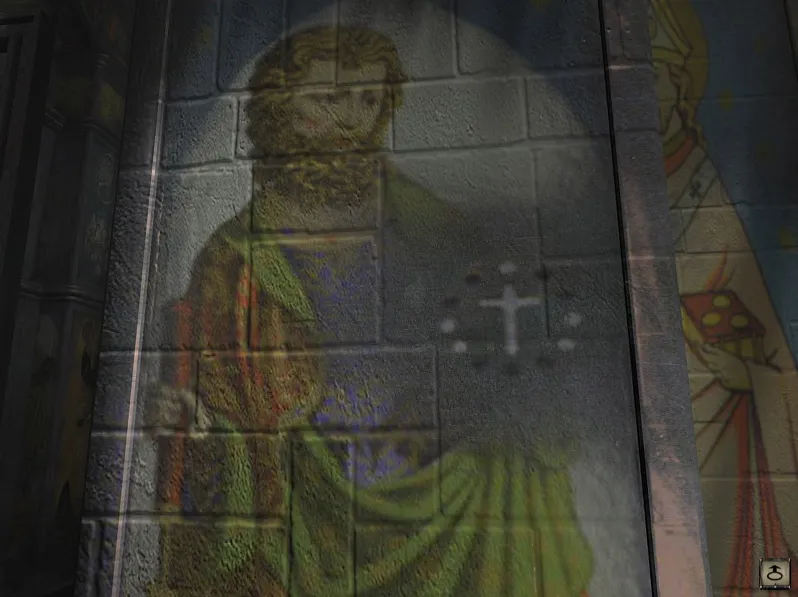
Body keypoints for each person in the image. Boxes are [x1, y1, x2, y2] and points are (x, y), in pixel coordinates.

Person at [145, 25, 594, 596]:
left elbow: (488, 307)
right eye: (329, 99)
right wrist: (204, 427)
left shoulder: (425, 219)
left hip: (432, 461)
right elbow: (225, 410)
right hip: (309, 491)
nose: (352, 120)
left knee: (513, 461)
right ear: (280, 109)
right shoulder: (233, 260)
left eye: (368, 100)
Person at [650, 0, 798, 592]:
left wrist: (745, 372)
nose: (649, 97)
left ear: (680, 86)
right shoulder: (612, 185)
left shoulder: (703, 180)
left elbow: (760, 328)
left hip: (724, 412)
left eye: (658, 77)